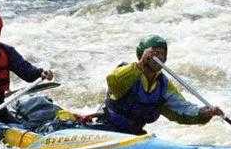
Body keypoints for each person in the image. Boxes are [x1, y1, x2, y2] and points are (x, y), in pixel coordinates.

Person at [94, 34, 222, 134]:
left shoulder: (162, 85)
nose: (159, 57)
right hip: (108, 130)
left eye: (162, 54)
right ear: (143, 54)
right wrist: (140, 65)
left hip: (133, 135)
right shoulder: (127, 72)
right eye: (154, 53)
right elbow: (113, 81)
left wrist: (203, 113)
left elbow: (181, 109)